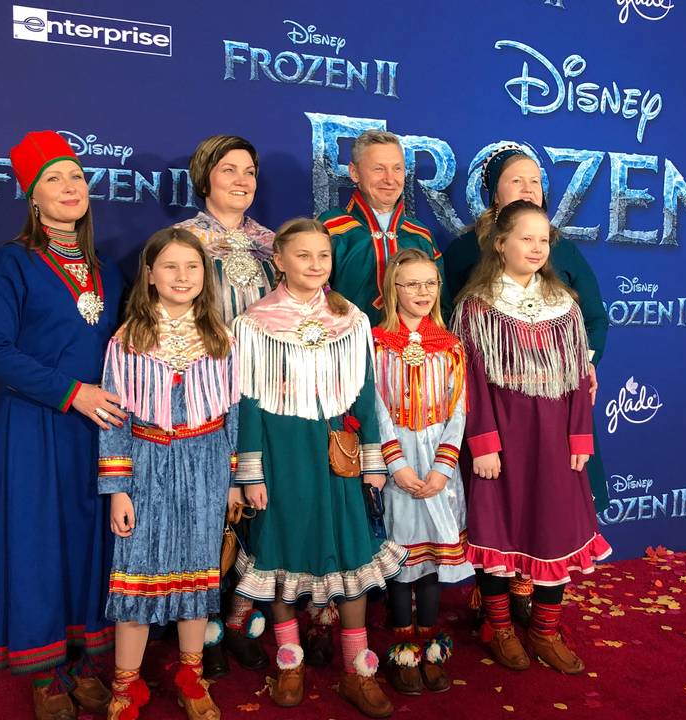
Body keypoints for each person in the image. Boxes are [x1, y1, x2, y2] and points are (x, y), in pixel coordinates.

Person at [0, 130, 125, 720]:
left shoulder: (108, 272)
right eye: (53, 179)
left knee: (87, 542)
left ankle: (80, 660)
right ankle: (45, 671)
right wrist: (70, 392)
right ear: (32, 195)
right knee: (37, 544)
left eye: (76, 176)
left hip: (98, 428)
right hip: (35, 425)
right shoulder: (14, 262)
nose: (69, 187)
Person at [231, 219, 406, 718]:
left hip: (338, 449)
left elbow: (365, 395)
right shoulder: (255, 323)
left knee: (352, 546)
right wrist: (252, 472)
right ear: (279, 261)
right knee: (281, 545)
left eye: (323, 256)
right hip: (282, 451)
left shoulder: (350, 318)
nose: (315, 265)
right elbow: (248, 404)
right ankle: (290, 661)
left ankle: (358, 668)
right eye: (303, 255)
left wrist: (373, 460)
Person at [442, 144, 611, 623]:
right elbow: (469, 379)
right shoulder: (475, 305)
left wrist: (581, 434)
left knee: (553, 520)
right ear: (501, 240)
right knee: (499, 523)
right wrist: (483, 442)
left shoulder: (565, 305)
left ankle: (545, 629)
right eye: (517, 180)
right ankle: (499, 625)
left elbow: (579, 370)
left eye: (535, 181)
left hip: (555, 435)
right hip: (503, 433)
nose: (536, 247)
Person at [98, 227, 238, 720]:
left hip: (205, 466)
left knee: (200, 578)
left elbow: (233, 415)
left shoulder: (220, 339)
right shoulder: (129, 340)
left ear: (206, 275)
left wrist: (233, 479)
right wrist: (118, 489)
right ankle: (125, 686)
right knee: (137, 576)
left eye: (193, 267)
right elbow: (114, 418)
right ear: (151, 275)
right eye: (171, 267)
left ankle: (190, 676)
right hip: (147, 466)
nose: (183, 276)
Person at [175, 134, 277, 674]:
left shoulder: (273, 245)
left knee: (259, 501)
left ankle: (243, 615)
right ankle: (203, 624)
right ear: (205, 177)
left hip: (265, 391)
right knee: (211, 508)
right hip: (205, 392)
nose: (242, 181)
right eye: (229, 170)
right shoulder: (182, 241)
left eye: (250, 172)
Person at [372, 249, 473, 696]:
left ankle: (430, 643)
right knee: (401, 559)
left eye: (429, 284)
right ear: (393, 289)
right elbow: (374, 406)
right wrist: (396, 463)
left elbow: (459, 409)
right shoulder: (375, 343)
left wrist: (443, 468)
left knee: (430, 561)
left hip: (437, 462)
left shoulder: (450, 346)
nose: (422, 292)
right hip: (400, 460)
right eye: (411, 284)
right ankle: (402, 649)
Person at [319, 129, 446, 325]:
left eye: (397, 169)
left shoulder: (421, 235)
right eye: (378, 169)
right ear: (354, 172)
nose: (390, 179)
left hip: (412, 352)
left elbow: (441, 307)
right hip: (349, 349)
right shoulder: (331, 230)